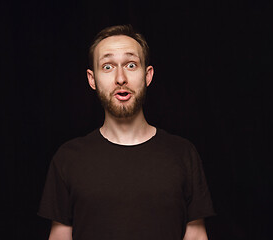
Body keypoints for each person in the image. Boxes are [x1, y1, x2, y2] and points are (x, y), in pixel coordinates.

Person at [38, 24, 215, 240]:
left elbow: (196, 235)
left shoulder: (183, 153)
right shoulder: (67, 158)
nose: (120, 78)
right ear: (92, 79)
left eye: (131, 65)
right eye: (107, 67)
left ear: (147, 75)